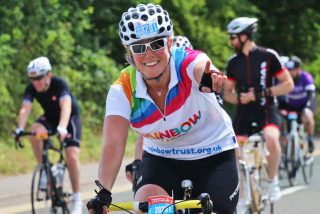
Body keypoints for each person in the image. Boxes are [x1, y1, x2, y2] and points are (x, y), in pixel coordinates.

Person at [87, 3, 239, 214]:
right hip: (162, 158)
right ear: (129, 53)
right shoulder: (122, 89)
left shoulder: (185, 62)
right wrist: (104, 192)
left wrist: (208, 77)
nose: (149, 54)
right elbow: (113, 143)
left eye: (157, 44)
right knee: (147, 209)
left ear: (169, 42)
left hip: (213, 154)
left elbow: (200, 64)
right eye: (139, 48)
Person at [223, 17, 294, 206]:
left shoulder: (268, 56)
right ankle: (244, 197)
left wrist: (264, 92)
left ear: (244, 36)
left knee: (271, 138)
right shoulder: (233, 63)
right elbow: (227, 93)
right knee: (234, 152)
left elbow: (288, 83)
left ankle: (272, 182)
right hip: (244, 114)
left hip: (267, 110)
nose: (231, 42)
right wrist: (240, 98)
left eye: (233, 37)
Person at [14, 56, 83, 214]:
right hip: (51, 118)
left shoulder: (60, 84)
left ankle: (77, 198)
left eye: (39, 78)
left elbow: (66, 107)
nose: (35, 82)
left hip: (70, 118)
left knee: (71, 155)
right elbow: (25, 109)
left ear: (48, 75)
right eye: (32, 79)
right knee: (34, 131)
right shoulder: (31, 88)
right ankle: (45, 170)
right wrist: (19, 128)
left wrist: (63, 128)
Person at [280, 56, 316, 153]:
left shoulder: (306, 77)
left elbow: (311, 93)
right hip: (291, 105)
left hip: (305, 103)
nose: (290, 72)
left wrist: (307, 106)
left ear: (298, 69)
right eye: (288, 70)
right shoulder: (285, 78)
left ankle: (310, 139)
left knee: (307, 115)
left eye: (292, 70)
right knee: (281, 118)